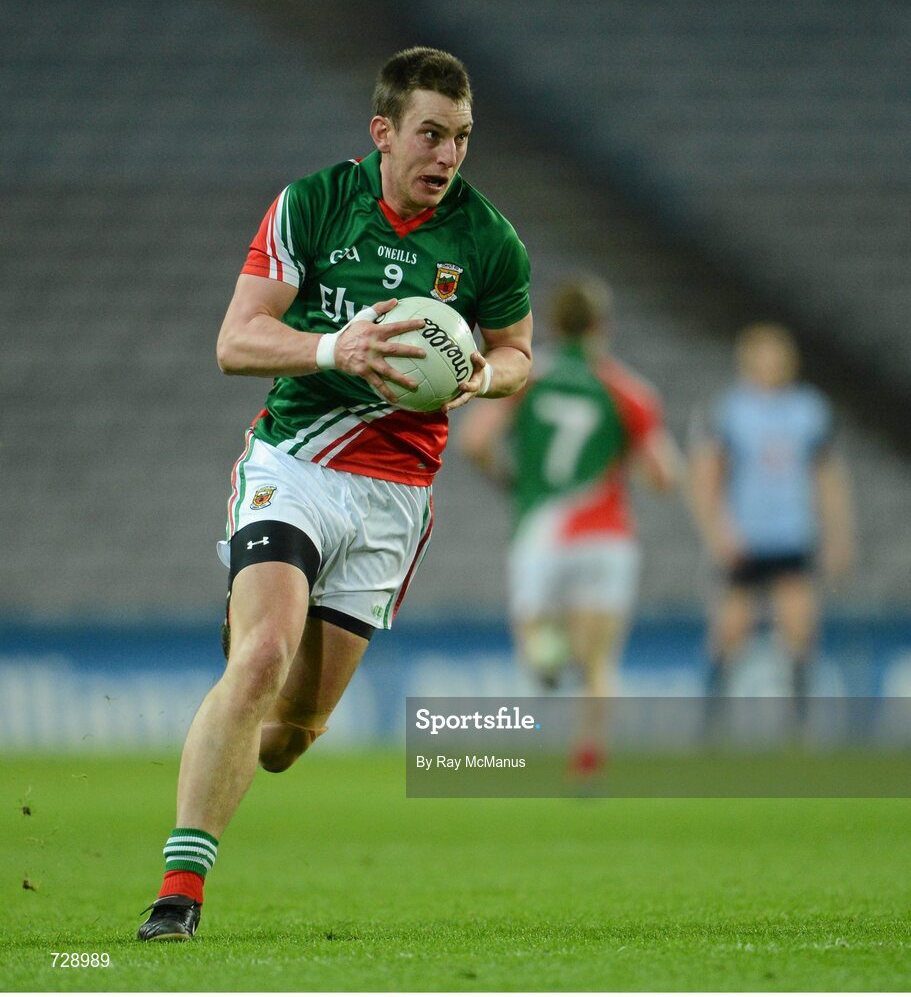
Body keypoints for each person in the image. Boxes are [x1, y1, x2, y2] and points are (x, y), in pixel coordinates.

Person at [137, 46, 532, 941]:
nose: (447, 157)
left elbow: (516, 352)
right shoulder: (313, 203)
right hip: (297, 463)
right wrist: (332, 349)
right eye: (431, 135)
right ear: (383, 132)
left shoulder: (487, 238)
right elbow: (237, 340)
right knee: (264, 654)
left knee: (288, 737)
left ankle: (256, 678)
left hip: (393, 496)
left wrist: (479, 377)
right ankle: (178, 895)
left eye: (462, 138)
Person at [459, 277, 679, 776]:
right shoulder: (629, 390)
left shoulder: (528, 380)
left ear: (553, 324)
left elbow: (475, 442)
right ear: (604, 326)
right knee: (599, 661)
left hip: (542, 532)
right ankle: (589, 754)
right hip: (606, 537)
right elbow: (663, 476)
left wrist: (514, 482)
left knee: (537, 648)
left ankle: (548, 655)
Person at [688, 322, 854, 726]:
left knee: (799, 631)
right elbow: (705, 476)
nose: (771, 364)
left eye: (777, 355)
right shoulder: (730, 410)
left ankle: (798, 729)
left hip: (792, 534)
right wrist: (718, 532)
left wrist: (839, 534)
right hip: (745, 536)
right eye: (763, 355)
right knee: (730, 633)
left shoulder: (808, 408)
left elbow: (827, 476)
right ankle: (710, 728)